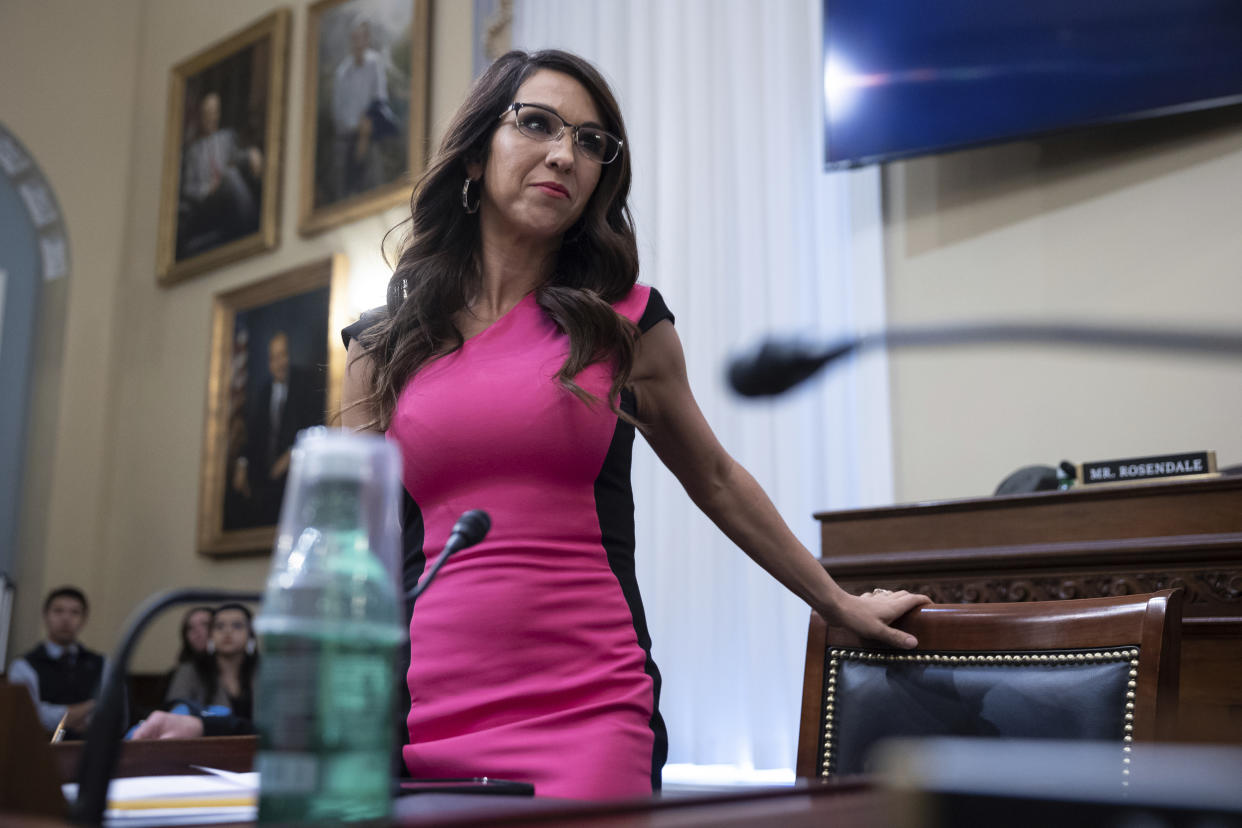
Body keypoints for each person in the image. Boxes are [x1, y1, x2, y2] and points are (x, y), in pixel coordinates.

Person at [339, 49, 930, 799]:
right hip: (422, 717)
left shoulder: (625, 322)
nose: (565, 154)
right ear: (475, 150)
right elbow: (349, 550)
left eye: (592, 142)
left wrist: (837, 601)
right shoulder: (383, 346)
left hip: (589, 711)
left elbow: (714, 478)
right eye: (538, 124)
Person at [228, 330, 323, 527]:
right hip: (265, 476)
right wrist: (242, 464)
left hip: (294, 473)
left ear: (289, 356)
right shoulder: (264, 393)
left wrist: (291, 453)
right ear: (269, 362)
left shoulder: (304, 384)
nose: (279, 363)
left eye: (283, 356)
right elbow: (253, 435)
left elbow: (316, 426)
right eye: (274, 358)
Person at [132, 604, 259, 740]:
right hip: (205, 748)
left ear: (250, 633)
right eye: (219, 626)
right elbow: (176, 715)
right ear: (211, 635)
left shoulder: (264, 670)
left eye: (237, 625)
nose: (227, 631)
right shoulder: (190, 671)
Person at [7, 586, 105, 740]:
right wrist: (91, 706)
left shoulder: (102, 664)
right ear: (46, 615)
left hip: (90, 753)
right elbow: (30, 717)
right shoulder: (23, 666)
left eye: (74, 612)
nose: (66, 619)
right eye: (58, 611)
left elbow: (114, 714)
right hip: (41, 752)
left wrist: (56, 714)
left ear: (84, 619)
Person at [178, 91, 263, 257]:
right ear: (201, 116)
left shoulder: (227, 137)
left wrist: (252, 154)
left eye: (213, 112)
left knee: (232, 175)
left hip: (227, 192)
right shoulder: (192, 152)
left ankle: (252, 230)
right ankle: (252, 228)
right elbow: (188, 189)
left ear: (218, 114)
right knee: (231, 176)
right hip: (206, 202)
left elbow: (237, 158)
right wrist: (208, 188)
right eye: (206, 113)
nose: (210, 117)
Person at [330, 17, 392, 201]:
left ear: (366, 40)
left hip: (371, 130)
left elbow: (380, 97)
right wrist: (354, 130)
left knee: (373, 183)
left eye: (361, 38)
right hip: (348, 136)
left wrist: (366, 126)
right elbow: (338, 111)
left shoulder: (374, 63)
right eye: (354, 38)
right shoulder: (342, 73)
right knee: (346, 186)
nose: (357, 42)